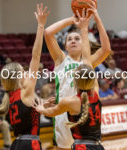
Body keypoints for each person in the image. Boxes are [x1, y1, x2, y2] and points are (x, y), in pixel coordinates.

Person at [44, 1, 111, 149]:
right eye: (69, 39)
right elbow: (48, 33)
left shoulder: (88, 63)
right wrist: (72, 19)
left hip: (83, 115)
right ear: (65, 46)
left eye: (77, 38)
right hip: (62, 114)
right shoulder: (61, 59)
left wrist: (96, 19)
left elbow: (106, 49)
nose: (73, 41)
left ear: (84, 44)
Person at [0, 4, 49, 150]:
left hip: (17, 144)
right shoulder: (25, 92)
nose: (27, 73)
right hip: (29, 144)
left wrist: (43, 105)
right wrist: (40, 26)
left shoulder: (10, 97)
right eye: (23, 72)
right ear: (18, 77)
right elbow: (36, 56)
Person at [0, 80, 11, 150]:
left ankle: (7, 145)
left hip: (0, 120)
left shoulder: (3, 93)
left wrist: (0, 119)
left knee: (5, 124)